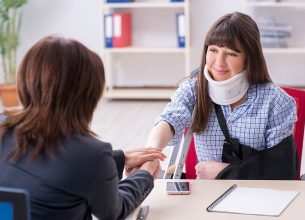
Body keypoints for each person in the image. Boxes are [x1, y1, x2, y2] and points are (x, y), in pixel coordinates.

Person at [0, 35, 164, 220]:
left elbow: (50, 167)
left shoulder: (3, 128)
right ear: (87, 96)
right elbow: (113, 211)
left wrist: (117, 158)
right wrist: (145, 174)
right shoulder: (91, 155)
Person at [146, 11, 298, 180]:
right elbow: (169, 120)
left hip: (258, 196)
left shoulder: (276, 101)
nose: (219, 62)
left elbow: (282, 169)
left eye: (231, 53)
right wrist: (151, 154)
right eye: (213, 50)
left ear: (249, 57)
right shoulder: (194, 89)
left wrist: (224, 172)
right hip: (207, 194)